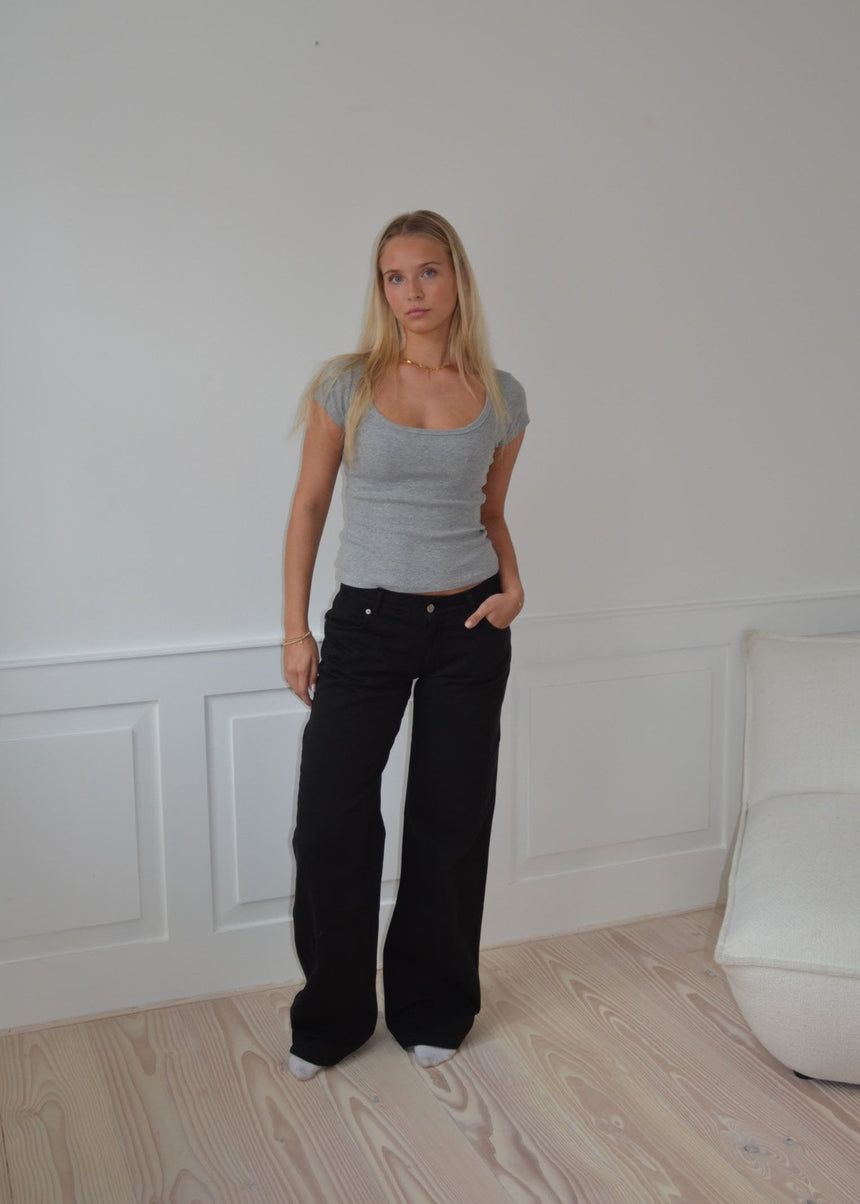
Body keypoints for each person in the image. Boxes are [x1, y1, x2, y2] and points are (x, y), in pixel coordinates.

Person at [281, 209, 528, 1080]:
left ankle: (433, 1006)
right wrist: (295, 630)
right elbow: (310, 506)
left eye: (428, 271)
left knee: (450, 822)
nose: (412, 291)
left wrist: (514, 586)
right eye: (395, 276)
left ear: (456, 278)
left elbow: (491, 512)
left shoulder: (501, 395)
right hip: (367, 625)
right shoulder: (347, 385)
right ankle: (334, 1015)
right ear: (381, 289)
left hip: (469, 626)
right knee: (330, 823)